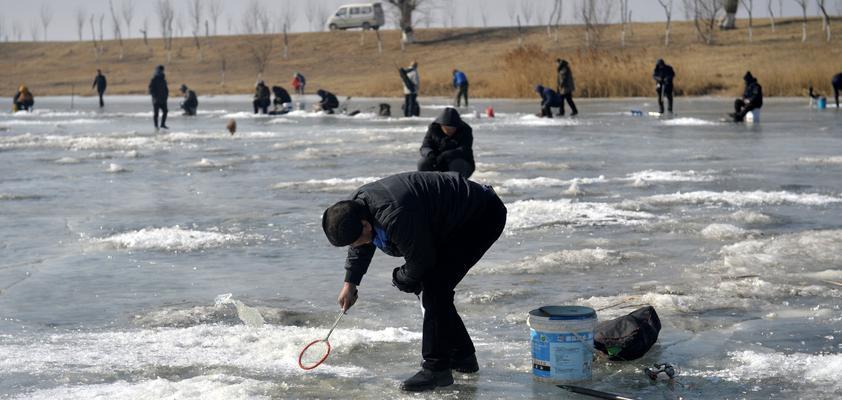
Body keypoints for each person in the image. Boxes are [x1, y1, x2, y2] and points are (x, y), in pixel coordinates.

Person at [322, 171, 507, 392]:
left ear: (365, 225)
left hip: (480, 216)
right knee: (434, 287)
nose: (357, 245)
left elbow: (421, 261)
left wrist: (400, 278)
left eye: (356, 240)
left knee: (434, 287)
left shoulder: (395, 215)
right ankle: (463, 356)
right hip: (448, 220)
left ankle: (436, 369)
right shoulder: (355, 208)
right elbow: (360, 247)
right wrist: (350, 283)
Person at [417, 107, 475, 178]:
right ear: (441, 125)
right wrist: (430, 154)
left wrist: (445, 155)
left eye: (452, 129)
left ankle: (455, 186)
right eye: (446, 128)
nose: (449, 131)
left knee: (456, 164)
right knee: (423, 162)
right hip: (437, 162)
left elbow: (464, 150)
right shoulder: (433, 128)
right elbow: (425, 147)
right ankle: (428, 185)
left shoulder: (465, 130)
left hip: (460, 163)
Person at [148, 65, 169, 130]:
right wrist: (154, 96)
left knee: (165, 111)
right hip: (156, 99)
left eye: (162, 70)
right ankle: (156, 126)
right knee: (156, 113)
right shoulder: (154, 78)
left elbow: (166, 88)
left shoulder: (163, 79)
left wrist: (166, 95)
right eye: (161, 70)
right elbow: (150, 88)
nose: (162, 71)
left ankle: (162, 124)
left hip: (163, 99)